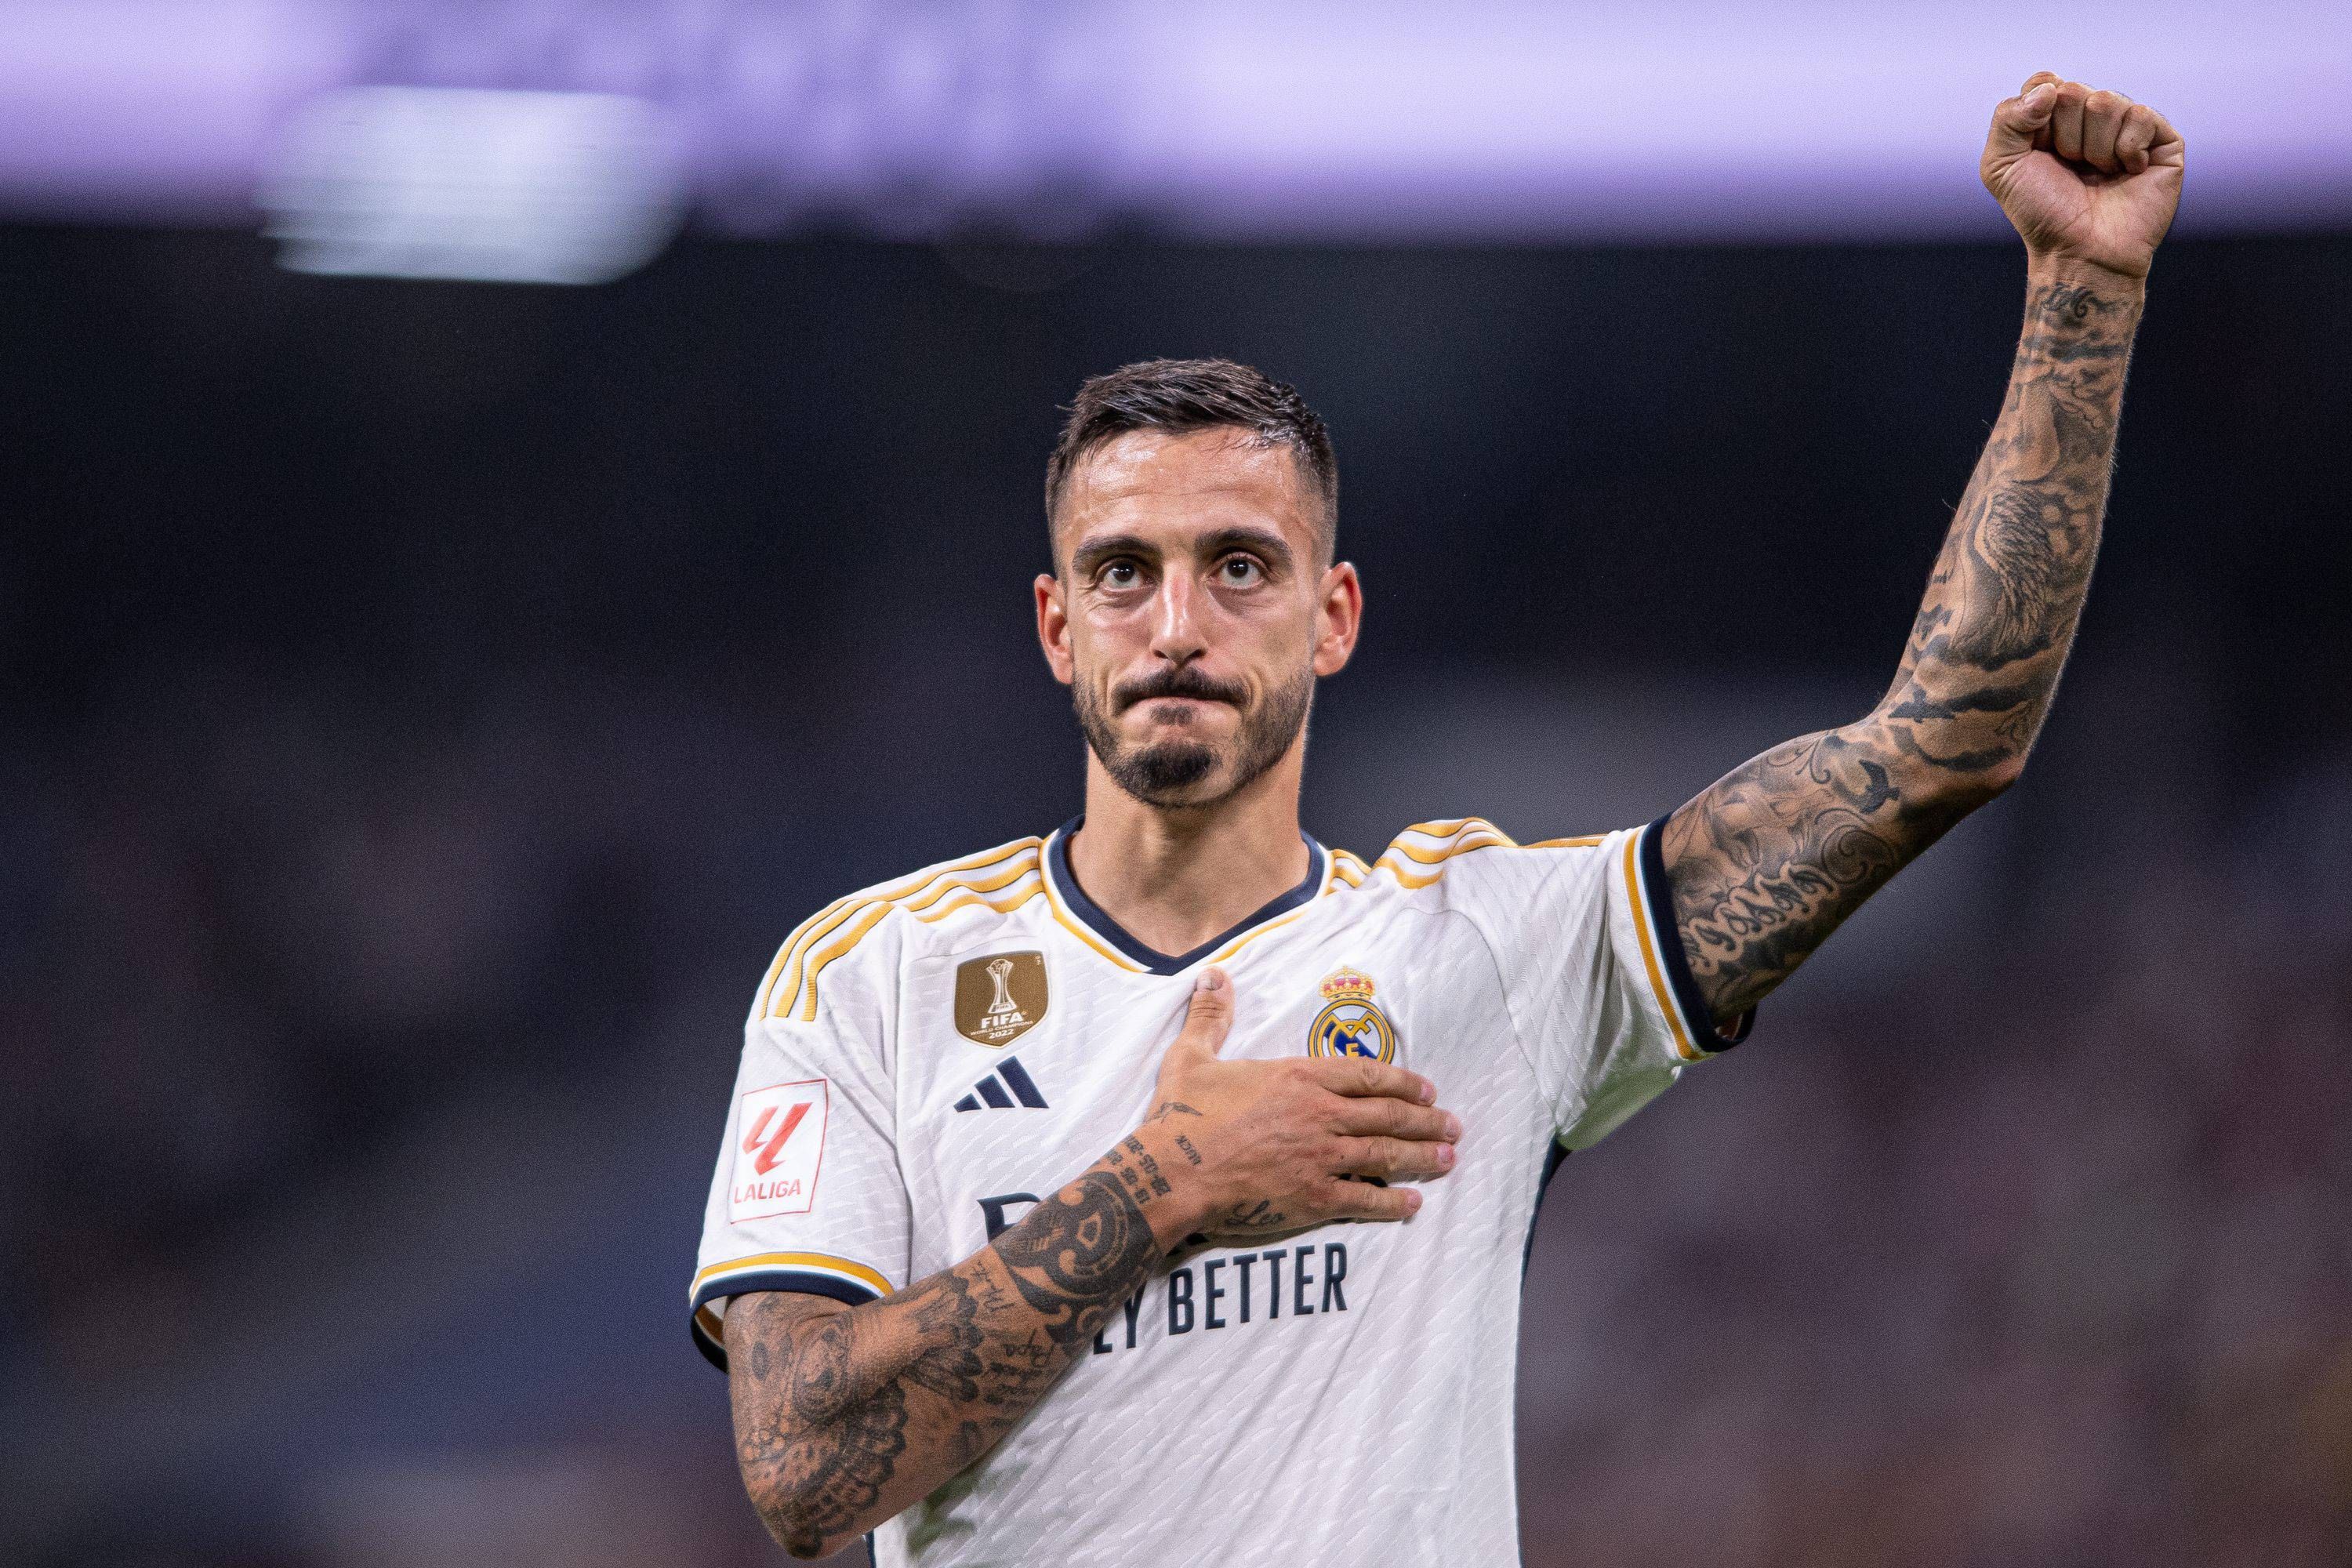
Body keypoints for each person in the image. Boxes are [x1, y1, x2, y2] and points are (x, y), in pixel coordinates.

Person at [689, 74, 2183, 1566]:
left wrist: (2085, 293)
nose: (1179, 624)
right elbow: (806, 1471)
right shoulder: (870, 977)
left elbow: (1944, 742)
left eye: (1241, 566)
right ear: (1056, 626)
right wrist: (1170, 1180)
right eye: (1124, 572)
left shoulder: (1481, 949)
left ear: (1333, 616)